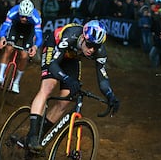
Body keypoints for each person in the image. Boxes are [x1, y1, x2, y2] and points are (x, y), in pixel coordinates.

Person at [25, 20, 120, 151]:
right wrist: (66, 78)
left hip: (72, 58)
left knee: (67, 99)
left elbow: (102, 78)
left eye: (96, 47)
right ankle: (33, 135)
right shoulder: (71, 35)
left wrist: (110, 95)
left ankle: (40, 135)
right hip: (55, 46)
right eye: (89, 45)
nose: (92, 50)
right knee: (48, 87)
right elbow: (53, 64)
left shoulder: (99, 51)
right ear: (83, 38)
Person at [0, 0, 42, 94]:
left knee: (24, 56)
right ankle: (0, 77)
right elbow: (5, 27)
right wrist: (2, 38)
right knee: (9, 48)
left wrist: (35, 47)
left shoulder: (36, 18)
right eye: (22, 16)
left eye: (26, 17)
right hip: (16, 27)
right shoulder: (13, 11)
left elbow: (39, 37)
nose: (24, 19)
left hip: (29, 30)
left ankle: (16, 82)